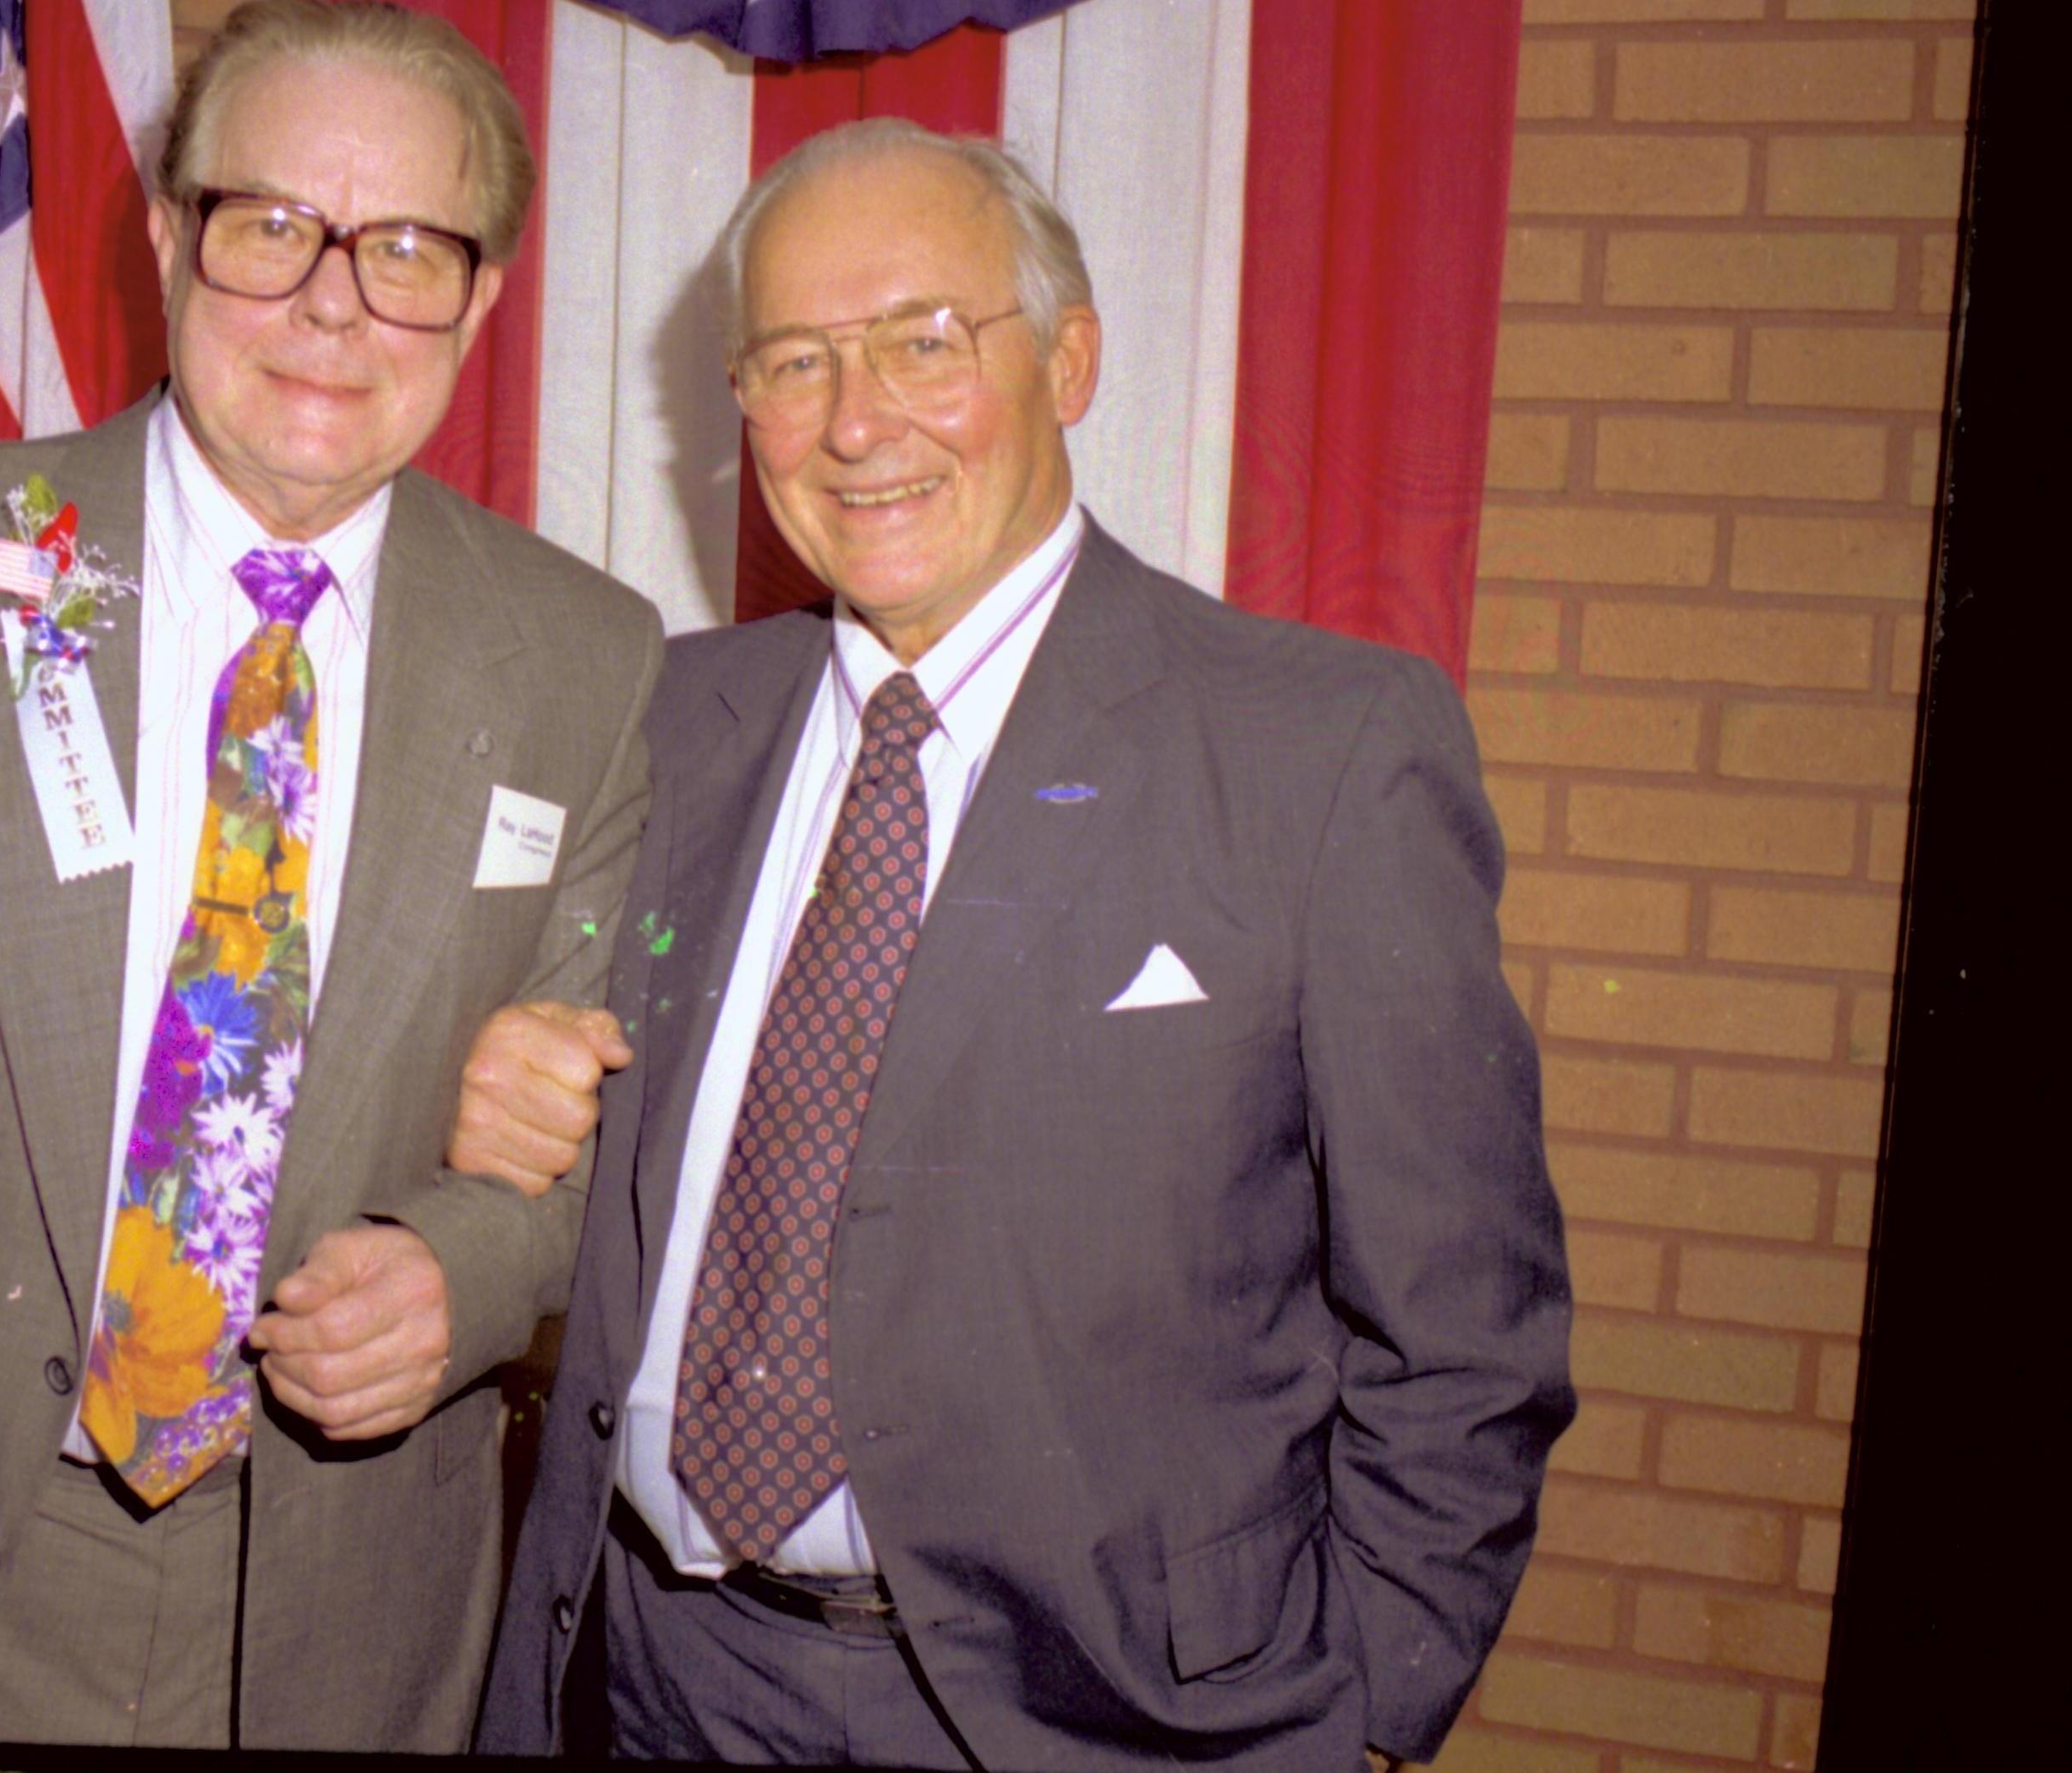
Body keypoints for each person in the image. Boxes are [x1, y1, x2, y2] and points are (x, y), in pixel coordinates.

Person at [0, 0, 661, 1751]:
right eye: (269, 227)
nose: (331, 302)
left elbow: (597, 1140)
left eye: (403, 246)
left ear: (480, 292)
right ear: (169, 239)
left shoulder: (585, 659)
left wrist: (463, 1272)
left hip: (351, 1624)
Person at [462, 118, 1571, 1770]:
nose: (856, 423)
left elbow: (1465, 1328)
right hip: (654, 1679)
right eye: (793, 361)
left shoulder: (1322, 753)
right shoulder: (670, 719)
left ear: (1070, 361)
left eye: (924, 342)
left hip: (1104, 1724)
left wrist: (1360, 1717)